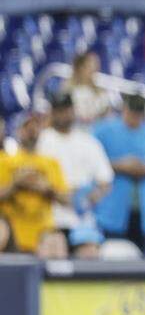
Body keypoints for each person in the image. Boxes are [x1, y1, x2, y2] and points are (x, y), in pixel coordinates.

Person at [91, 94, 145, 255]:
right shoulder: (104, 130)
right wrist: (119, 165)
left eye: (138, 114)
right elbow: (89, 162)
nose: (134, 118)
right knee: (111, 255)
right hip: (111, 207)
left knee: (140, 262)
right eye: (131, 113)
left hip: (143, 209)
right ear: (124, 110)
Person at [34, 92, 112, 256]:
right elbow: (33, 178)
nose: (63, 114)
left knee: (89, 253)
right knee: (52, 251)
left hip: (82, 219)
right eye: (59, 110)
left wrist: (86, 198)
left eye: (66, 110)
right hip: (51, 218)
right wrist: (57, 194)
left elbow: (105, 181)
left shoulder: (88, 141)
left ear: (73, 110)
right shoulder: (42, 140)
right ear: (53, 112)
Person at [0, 113, 69, 258]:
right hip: (11, 230)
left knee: (57, 240)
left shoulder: (51, 162)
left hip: (43, 231)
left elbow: (66, 199)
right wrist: (15, 184)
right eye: (27, 126)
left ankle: (53, 279)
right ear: (18, 130)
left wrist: (46, 189)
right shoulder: (5, 160)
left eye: (36, 125)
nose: (32, 130)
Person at [65, 51, 110, 125]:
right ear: (81, 67)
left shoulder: (100, 91)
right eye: (90, 65)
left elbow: (106, 114)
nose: (94, 69)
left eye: (96, 66)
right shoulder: (68, 88)